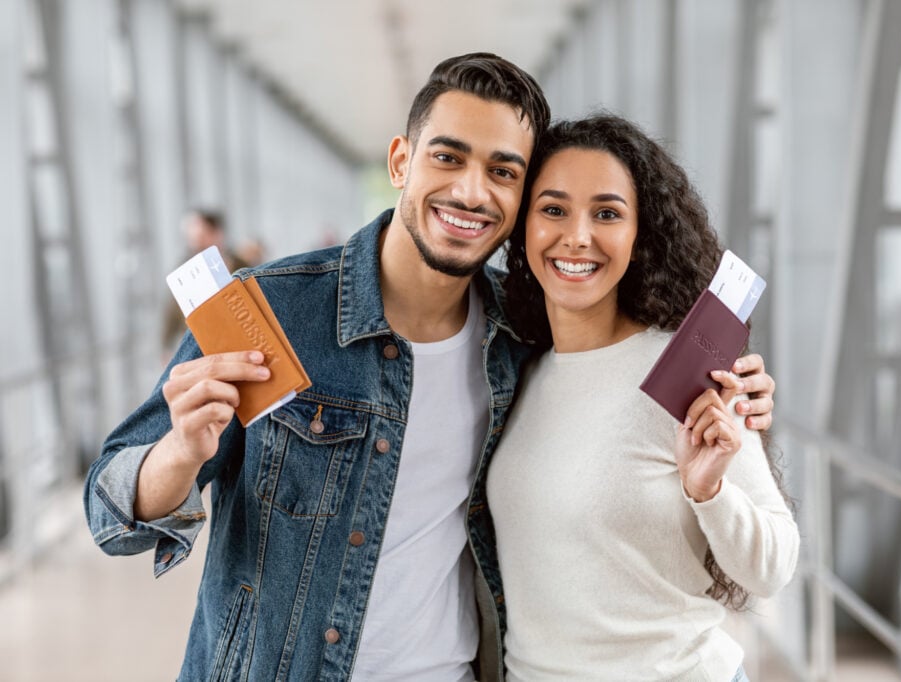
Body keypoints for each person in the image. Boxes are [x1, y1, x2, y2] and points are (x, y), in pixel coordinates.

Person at [84, 55, 777, 681]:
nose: (473, 192)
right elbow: (110, 512)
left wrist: (734, 395)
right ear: (400, 163)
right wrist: (178, 454)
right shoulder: (271, 310)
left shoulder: (523, 341)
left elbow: (612, 393)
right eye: (448, 158)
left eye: (504, 172)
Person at [491, 114, 799, 681]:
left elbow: (773, 566)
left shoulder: (687, 373)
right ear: (523, 227)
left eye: (606, 213)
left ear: (640, 236)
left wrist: (708, 492)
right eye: (553, 209)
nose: (577, 236)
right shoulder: (513, 372)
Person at [161, 208, 245, 355]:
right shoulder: (184, 271)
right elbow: (173, 309)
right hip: (199, 346)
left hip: (238, 341)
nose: (196, 243)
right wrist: (166, 345)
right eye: (192, 238)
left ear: (217, 233)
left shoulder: (240, 265)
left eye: (201, 236)